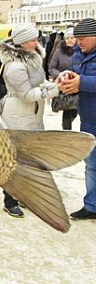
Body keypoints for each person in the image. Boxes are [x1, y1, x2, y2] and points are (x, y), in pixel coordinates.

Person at [0, 24, 59, 218]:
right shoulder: (15, 65)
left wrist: (53, 84)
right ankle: (9, 200)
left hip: (32, 114)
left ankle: (23, 194)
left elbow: (38, 84)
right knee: (15, 158)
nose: (36, 42)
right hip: (17, 114)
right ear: (22, 42)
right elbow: (25, 94)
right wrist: (54, 90)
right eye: (32, 39)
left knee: (30, 159)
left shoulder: (34, 58)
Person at [59, 18, 96, 220]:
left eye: (83, 38)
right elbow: (78, 80)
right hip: (88, 118)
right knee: (91, 165)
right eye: (77, 38)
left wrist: (82, 82)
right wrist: (67, 81)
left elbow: (84, 81)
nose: (79, 42)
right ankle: (91, 206)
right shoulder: (78, 55)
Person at [49, 28, 78, 130]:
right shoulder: (59, 52)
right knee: (67, 109)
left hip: (78, 84)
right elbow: (51, 68)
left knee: (75, 110)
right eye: (68, 38)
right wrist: (60, 75)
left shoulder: (80, 51)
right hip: (64, 85)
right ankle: (67, 131)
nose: (70, 40)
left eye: (72, 38)